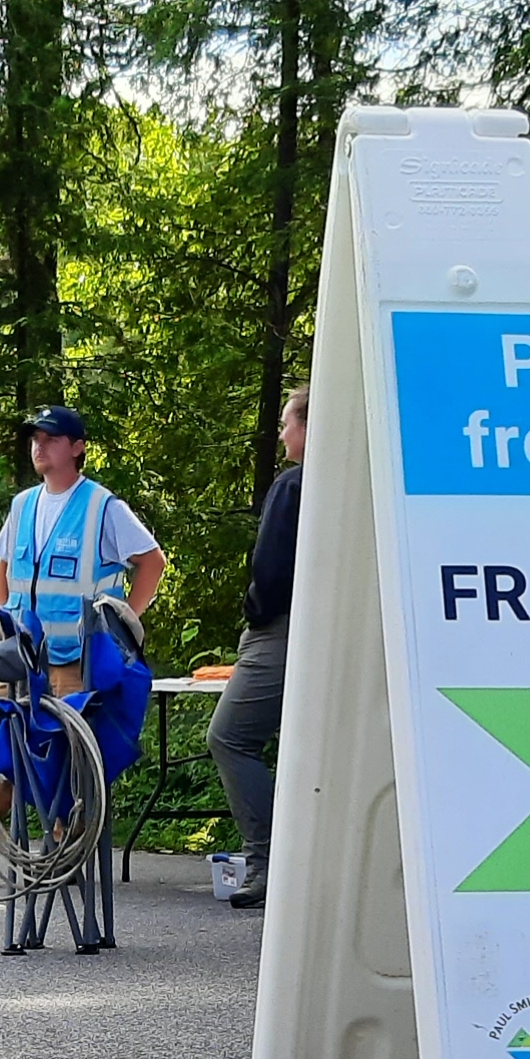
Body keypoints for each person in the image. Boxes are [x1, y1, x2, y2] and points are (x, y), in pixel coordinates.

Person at [0, 405, 167, 882]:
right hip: (22, 660)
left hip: (75, 661)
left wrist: (124, 619)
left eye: (50, 438)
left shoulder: (102, 507)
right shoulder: (22, 505)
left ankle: (65, 852)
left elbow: (152, 562)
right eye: (35, 438)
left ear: (77, 447)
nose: (39, 446)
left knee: (66, 759)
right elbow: (3, 572)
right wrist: (9, 620)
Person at [209, 386, 304, 909]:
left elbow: (269, 570)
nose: (283, 432)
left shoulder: (292, 486)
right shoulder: (352, 484)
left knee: (229, 737)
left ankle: (268, 859)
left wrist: (255, 614)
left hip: (281, 631)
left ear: (309, 427)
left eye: (288, 423)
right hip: (322, 631)